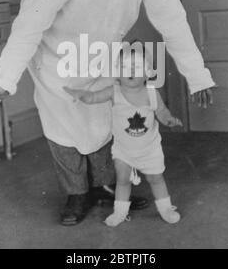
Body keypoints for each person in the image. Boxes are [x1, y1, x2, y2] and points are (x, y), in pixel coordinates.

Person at [0, 0, 215, 226]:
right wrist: (4, 78)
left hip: (105, 50)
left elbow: (171, 17)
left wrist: (197, 75)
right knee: (64, 130)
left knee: (108, 121)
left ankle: (104, 187)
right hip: (57, 56)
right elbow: (29, 24)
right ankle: (76, 194)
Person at [64, 43, 183, 227]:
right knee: (122, 180)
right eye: (125, 67)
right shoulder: (114, 92)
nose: (130, 71)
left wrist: (169, 120)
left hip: (149, 149)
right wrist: (82, 95)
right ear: (117, 72)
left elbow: (162, 112)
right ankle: (119, 212)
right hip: (123, 151)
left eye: (136, 67)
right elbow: (94, 97)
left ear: (148, 72)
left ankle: (166, 208)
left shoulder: (152, 94)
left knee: (156, 179)